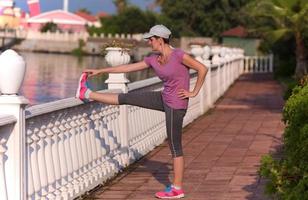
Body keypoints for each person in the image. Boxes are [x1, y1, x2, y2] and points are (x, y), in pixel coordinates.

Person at [76, 24, 208, 199]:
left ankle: (177, 188)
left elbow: (202, 69)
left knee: (175, 146)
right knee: (127, 98)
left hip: (175, 105)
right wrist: (100, 70)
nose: (149, 42)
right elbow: (127, 68)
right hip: (163, 98)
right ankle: (86, 93)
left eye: (151, 39)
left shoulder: (178, 55)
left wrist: (194, 91)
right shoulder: (154, 58)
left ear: (160, 40)